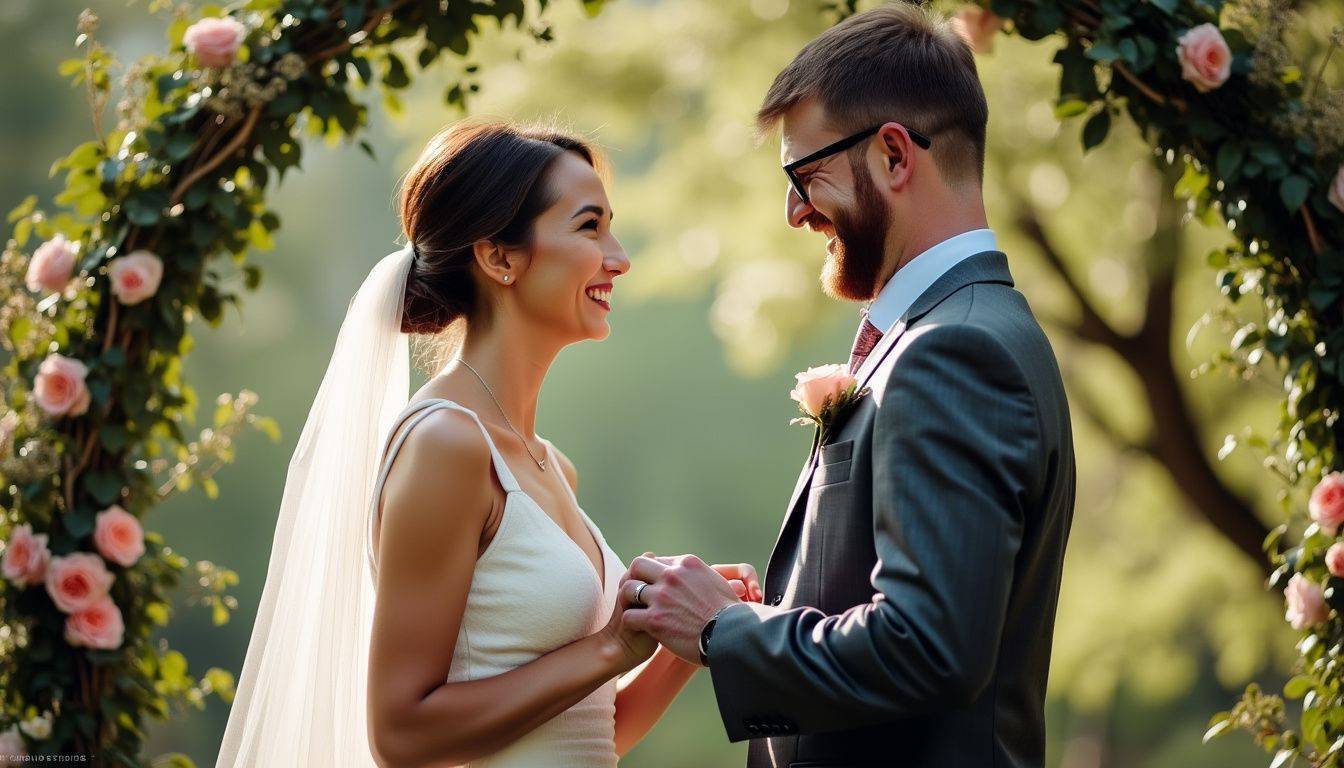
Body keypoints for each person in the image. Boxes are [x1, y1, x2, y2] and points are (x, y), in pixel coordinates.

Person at [213, 121, 760, 767]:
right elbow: (403, 736)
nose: (619, 256)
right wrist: (611, 645)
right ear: (500, 257)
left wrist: (680, 636)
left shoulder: (552, 465)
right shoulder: (447, 443)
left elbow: (588, 735)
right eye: (589, 227)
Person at [616, 6, 1077, 767]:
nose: (795, 211)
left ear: (894, 155)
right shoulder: (951, 333)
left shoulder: (954, 350)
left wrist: (720, 632)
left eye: (805, 175)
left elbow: (928, 645)